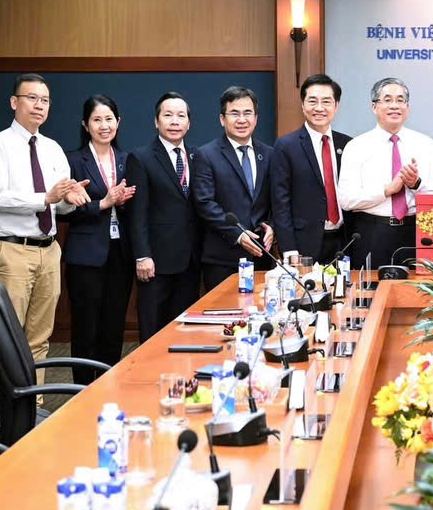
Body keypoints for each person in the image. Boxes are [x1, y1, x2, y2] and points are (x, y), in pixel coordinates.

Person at [0, 73, 90, 386]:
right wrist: (46, 197)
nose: (39, 105)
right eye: (31, 98)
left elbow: (59, 206)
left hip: (49, 251)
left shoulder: (53, 148)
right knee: (8, 340)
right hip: (11, 251)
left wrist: (69, 199)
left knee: (40, 339)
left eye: (45, 100)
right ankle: (10, 410)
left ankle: (35, 405)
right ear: (14, 102)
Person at [61, 95, 136, 381]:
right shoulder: (72, 161)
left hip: (120, 253)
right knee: (85, 328)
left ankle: (108, 387)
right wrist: (103, 203)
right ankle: (81, 390)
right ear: (85, 125)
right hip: (85, 255)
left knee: (113, 327)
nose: (104, 125)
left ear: (118, 122)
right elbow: (64, 211)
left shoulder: (128, 160)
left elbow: (137, 211)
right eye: (97, 120)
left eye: (109, 119)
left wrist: (124, 203)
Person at [338, 77, 433, 267]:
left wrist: (416, 185)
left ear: (408, 107)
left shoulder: (425, 144)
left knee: (417, 286)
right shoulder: (356, 146)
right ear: (374, 107)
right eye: (387, 100)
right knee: (371, 285)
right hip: (371, 233)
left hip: (416, 231)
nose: (394, 106)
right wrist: (387, 190)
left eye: (400, 100)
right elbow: (346, 200)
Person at [126, 92, 202, 341]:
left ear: (189, 123)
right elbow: (137, 212)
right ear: (156, 121)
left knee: (184, 331)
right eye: (168, 115)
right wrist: (142, 256)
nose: (174, 121)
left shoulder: (196, 156)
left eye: (181, 116)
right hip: (156, 263)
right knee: (154, 330)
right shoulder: (141, 158)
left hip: (190, 261)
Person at [194, 86, 275, 291]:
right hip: (223, 258)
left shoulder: (269, 154)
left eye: (247, 113)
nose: (242, 120)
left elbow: (278, 198)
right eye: (234, 113)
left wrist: (273, 226)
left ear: (256, 118)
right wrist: (238, 234)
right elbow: (204, 203)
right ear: (222, 119)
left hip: (262, 256)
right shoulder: (206, 155)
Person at [270, 74, 353, 264]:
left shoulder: (348, 144)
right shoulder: (286, 146)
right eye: (312, 101)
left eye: (326, 101)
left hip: (345, 240)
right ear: (302, 105)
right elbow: (280, 202)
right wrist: (288, 247)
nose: (319, 108)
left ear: (336, 106)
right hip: (304, 243)